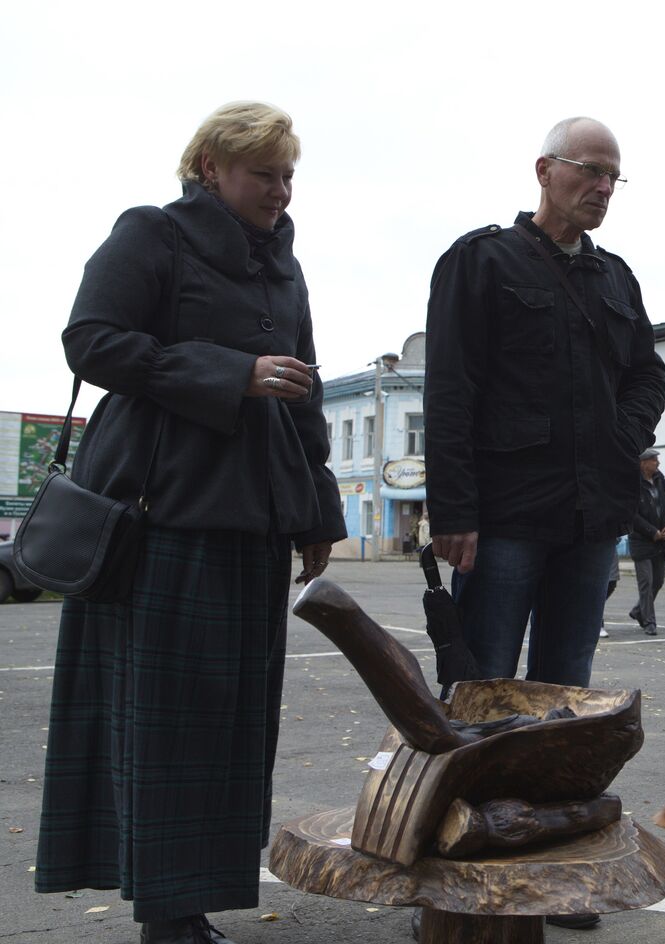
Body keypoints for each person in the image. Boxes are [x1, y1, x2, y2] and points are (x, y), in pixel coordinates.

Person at [34, 103, 343, 944]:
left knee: (233, 722)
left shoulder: (284, 263)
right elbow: (90, 342)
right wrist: (230, 371)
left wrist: (319, 507)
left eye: (288, 176)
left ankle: (195, 897)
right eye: (264, 174)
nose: (280, 191)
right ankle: (170, 915)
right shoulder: (151, 235)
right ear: (211, 166)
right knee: (165, 722)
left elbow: (306, 391)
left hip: (256, 517)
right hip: (159, 511)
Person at [424, 116, 665, 691]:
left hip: (591, 521)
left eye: (613, 177)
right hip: (506, 518)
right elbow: (450, 393)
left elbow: (647, 374)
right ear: (544, 171)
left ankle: (552, 786)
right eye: (591, 171)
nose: (604, 187)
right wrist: (453, 513)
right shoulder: (480, 261)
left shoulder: (617, 278)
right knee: (482, 687)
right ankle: (476, 785)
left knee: (565, 691)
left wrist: (622, 434)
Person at [628, 448, 665, 636]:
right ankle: (649, 622)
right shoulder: (633, 484)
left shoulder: (660, 481)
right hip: (642, 542)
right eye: (654, 460)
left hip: (660, 542)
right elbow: (632, 514)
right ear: (643, 463)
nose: (658, 463)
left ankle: (638, 611)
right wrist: (652, 531)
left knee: (658, 581)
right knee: (646, 582)